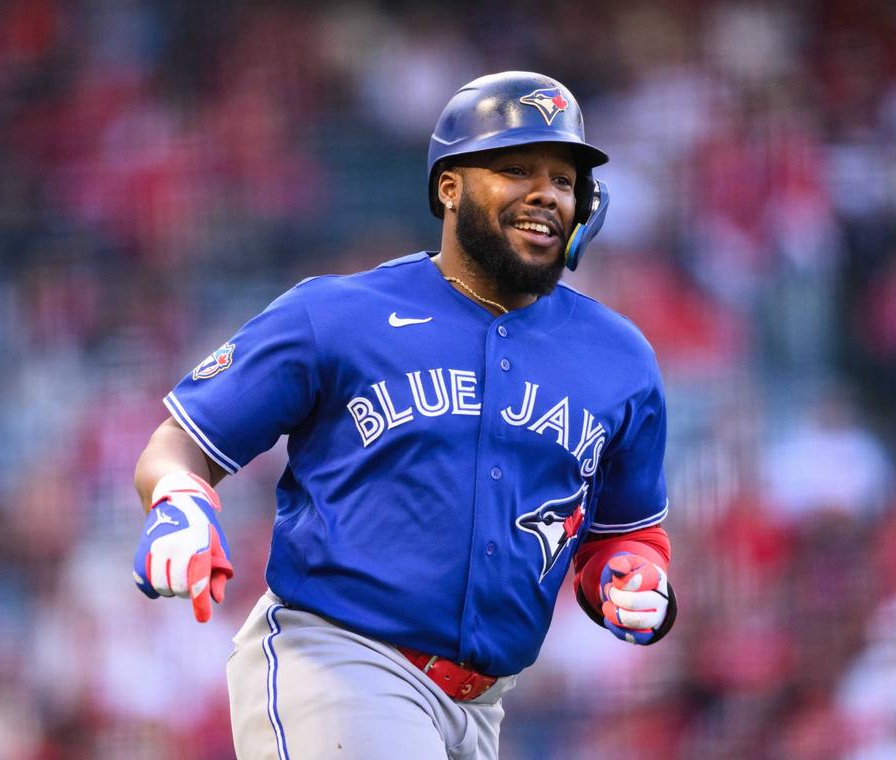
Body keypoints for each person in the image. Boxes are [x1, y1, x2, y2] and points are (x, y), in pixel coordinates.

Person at [132, 71, 678, 760]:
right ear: (449, 187)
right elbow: (181, 442)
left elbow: (627, 535)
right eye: (516, 168)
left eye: (565, 180)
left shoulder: (620, 359)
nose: (547, 193)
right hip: (339, 664)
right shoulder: (336, 314)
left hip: (480, 706)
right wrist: (179, 500)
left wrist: (629, 575)